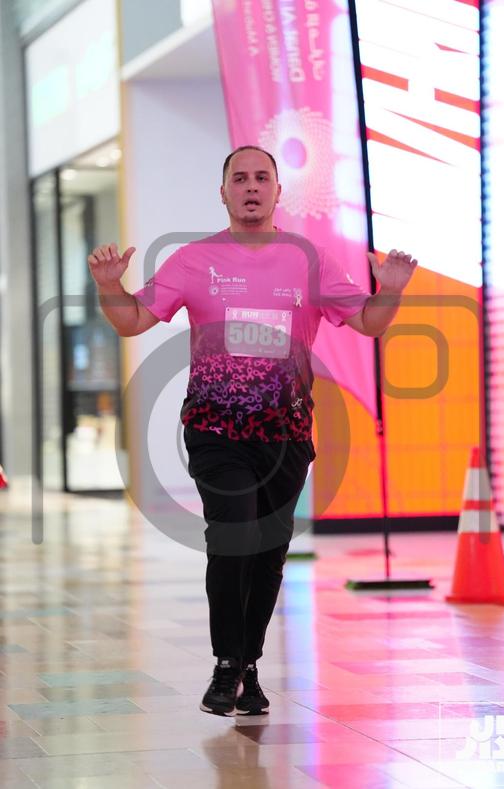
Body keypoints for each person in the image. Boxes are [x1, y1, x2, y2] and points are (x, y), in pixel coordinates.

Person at [88, 145, 417, 717]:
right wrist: (109, 288)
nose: (251, 187)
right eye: (239, 178)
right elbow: (133, 320)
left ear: (277, 191)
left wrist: (389, 290)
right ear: (223, 192)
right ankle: (225, 664)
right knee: (232, 535)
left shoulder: (309, 259)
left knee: (268, 552)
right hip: (215, 428)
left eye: (262, 177)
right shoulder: (193, 260)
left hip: (286, 432)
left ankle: (247, 668)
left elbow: (367, 321)